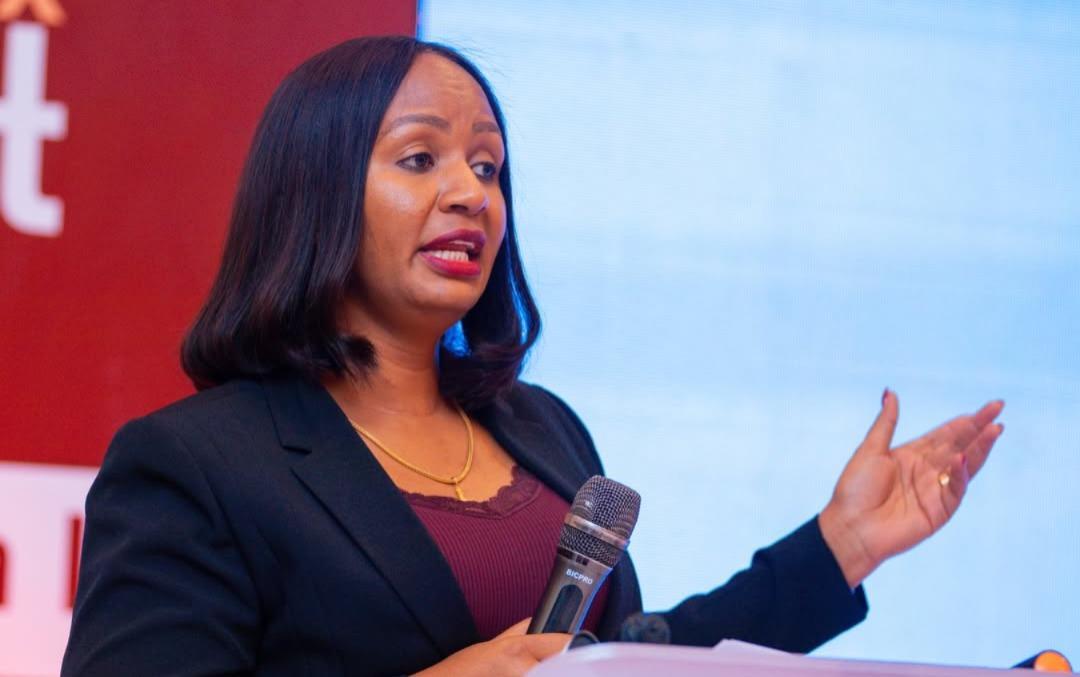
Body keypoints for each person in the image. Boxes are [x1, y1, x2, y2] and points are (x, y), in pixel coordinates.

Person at [61, 36, 1004, 677]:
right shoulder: (197, 465)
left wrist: (840, 546)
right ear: (314, 190)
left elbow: (627, 657)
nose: (472, 194)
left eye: (487, 165)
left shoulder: (541, 430)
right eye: (421, 159)